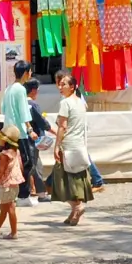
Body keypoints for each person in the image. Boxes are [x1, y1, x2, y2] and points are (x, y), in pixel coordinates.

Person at [48, 71, 94, 225]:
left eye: (64, 84)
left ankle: (77, 207)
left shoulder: (65, 103)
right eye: (60, 84)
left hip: (67, 145)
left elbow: (62, 126)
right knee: (77, 180)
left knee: (61, 181)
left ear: (72, 87)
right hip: (79, 145)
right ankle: (74, 212)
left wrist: (56, 146)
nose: (60, 87)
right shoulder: (81, 102)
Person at [1, 62, 37, 201]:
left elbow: (3, 110)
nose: (31, 74)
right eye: (30, 71)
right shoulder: (21, 89)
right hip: (19, 132)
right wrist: (30, 129)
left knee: (11, 163)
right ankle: (23, 195)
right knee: (26, 163)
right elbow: (24, 112)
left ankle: (11, 193)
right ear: (25, 73)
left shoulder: (8, 89)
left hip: (8, 131)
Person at [0, 123, 24, 239]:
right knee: (5, 208)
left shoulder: (4, 155)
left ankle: (13, 232)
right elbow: (20, 166)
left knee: (8, 208)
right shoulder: (16, 152)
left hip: (6, 183)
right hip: (15, 183)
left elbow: (1, 171)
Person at [25, 80, 52, 201]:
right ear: (34, 90)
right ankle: (40, 193)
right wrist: (54, 131)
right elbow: (42, 122)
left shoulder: (22, 104)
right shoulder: (33, 105)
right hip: (34, 139)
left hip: (24, 138)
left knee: (33, 165)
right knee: (35, 166)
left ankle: (36, 191)